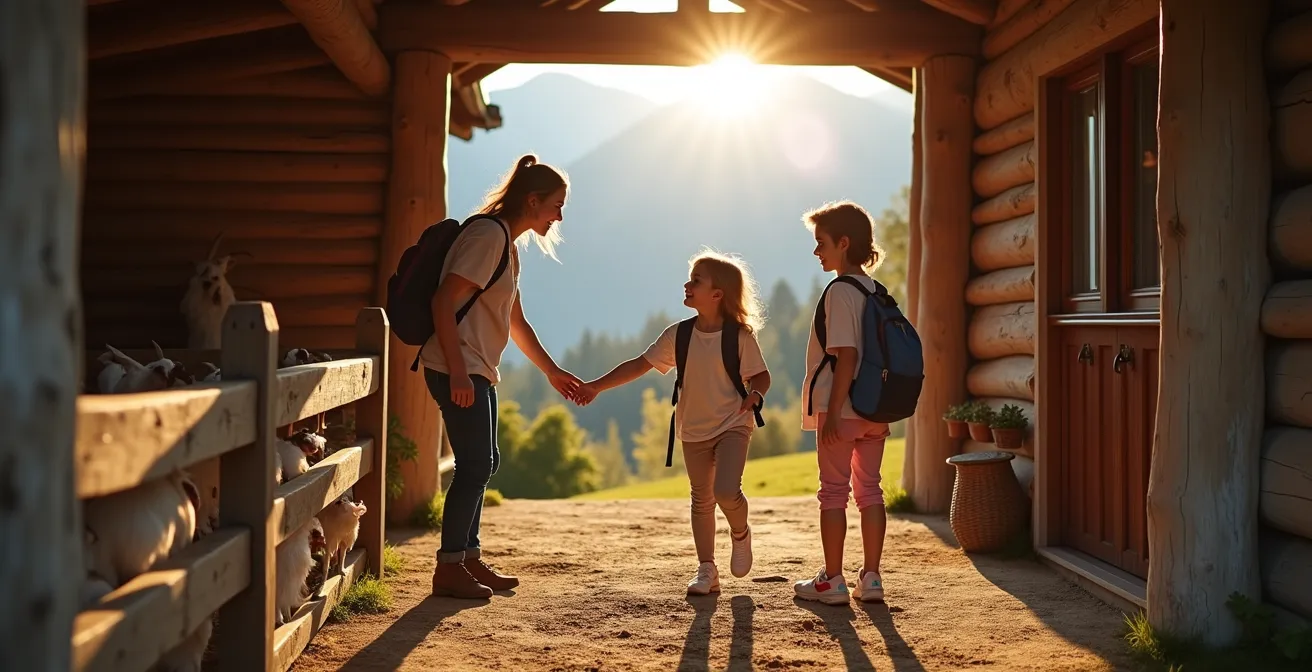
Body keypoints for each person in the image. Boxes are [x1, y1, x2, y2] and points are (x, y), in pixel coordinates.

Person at [424, 154, 583, 599]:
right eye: (555, 205)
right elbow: (442, 302)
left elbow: (517, 323)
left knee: (484, 462)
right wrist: (457, 372)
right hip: (457, 366)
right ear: (532, 201)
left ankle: (468, 558)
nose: (559, 215)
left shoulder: (507, 246)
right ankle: (449, 567)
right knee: (474, 465)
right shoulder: (486, 237)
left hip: (477, 369)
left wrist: (552, 372)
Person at [575, 250, 771, 595]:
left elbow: (761, 376)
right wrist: (595, 387)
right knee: (701, 499)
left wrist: (755, 396)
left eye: (696, 280)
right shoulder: (678, 335)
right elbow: (639, 364)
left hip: (733, 423)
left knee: (726, 491)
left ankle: (740, 533)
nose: (687, 284)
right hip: (693, 428)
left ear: (717, 294)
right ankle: (707, 569)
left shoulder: (739, 337)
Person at [792, 201, 891, 606]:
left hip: (844, 407)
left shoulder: (839, 292)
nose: (817, 252)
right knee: (871, 491)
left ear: (844, 243)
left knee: (833, 493)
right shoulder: (876, 290)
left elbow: (845, 355)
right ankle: (871, 578)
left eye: (822, 243)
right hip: (876, 407)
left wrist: (831, 412)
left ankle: (832, 580)